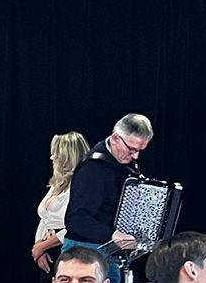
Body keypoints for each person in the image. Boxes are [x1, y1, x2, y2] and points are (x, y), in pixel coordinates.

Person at [61, 114, 152, 267]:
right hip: (86, 254)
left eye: (140, 150)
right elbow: (75, 220)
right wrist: (113, 235)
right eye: (131, 149)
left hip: (107, 253)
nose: (135, 155)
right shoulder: (93, 168)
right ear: (116, 138)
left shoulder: (123, 164)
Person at [30, 131, 90, 271]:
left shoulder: (81, 186)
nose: (52, 157)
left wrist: (44, 246)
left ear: (68, 156)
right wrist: (38, 248)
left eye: (56, 153)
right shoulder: (56, 185)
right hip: (46, 253)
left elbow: (75, 226)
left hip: (66, 249)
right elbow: (44, 218)